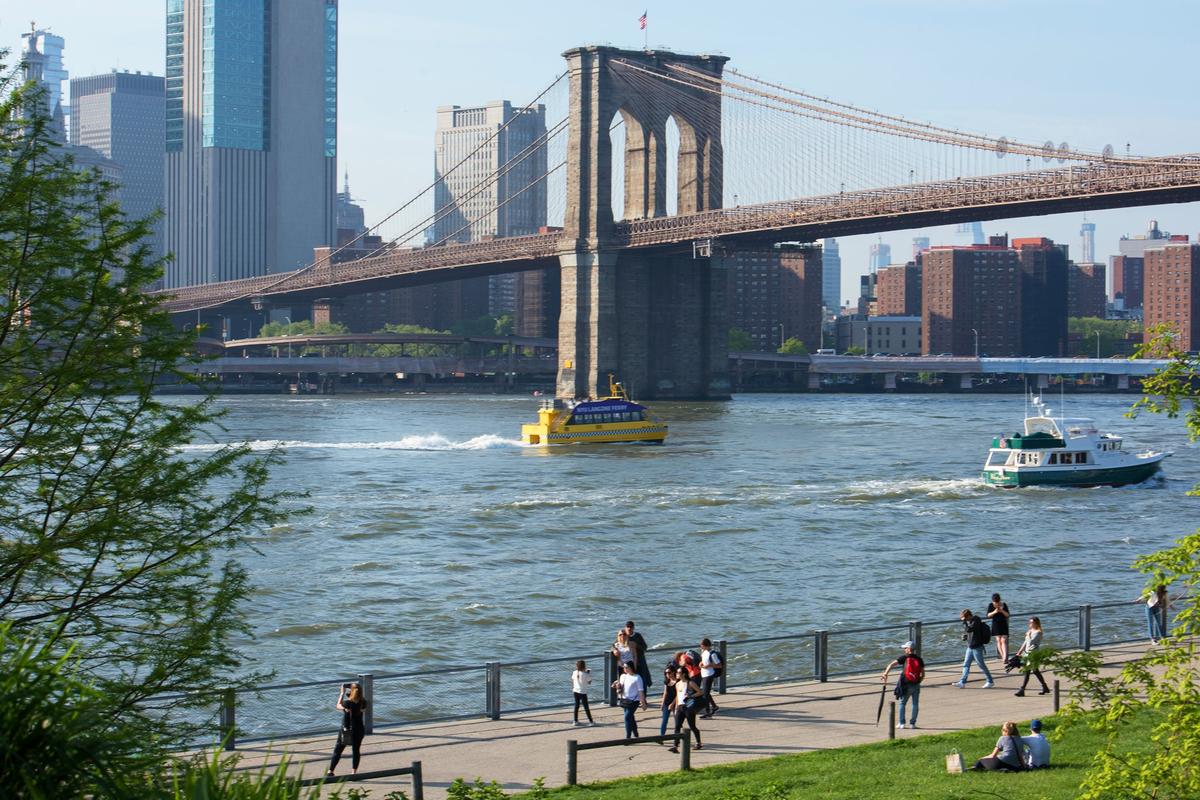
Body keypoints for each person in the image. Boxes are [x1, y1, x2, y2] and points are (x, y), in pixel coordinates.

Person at [880, 640, 924, 729]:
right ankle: (912, 724)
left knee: (902, 703)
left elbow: (891, 664)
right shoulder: (919, 659)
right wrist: (918, 681)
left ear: (909, 649)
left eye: (905, 648)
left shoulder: (904, 658)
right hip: (916, 685)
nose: (904, 650)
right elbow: (922, 674)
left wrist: (885, 673)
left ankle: (902, 723)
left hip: (906, 684)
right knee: (915, 704)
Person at [327, 682, 367, 776]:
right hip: (359, 730)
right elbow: (358, 701)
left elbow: (338, 705)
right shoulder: (364, 703)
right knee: (356, 751)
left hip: (346, 730)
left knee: (338, 750)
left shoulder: (347, 703)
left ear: (352, 692)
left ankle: (330, 771)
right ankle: (353, 772)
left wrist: (342, 693)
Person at [953, 609, 995, 688]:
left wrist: (964, 622)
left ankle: (990, 681)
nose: (965, 620)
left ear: (969, 616)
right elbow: (971, 632)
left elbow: (969, 629)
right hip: (970, 647)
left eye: (966, 618)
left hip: (977, 647)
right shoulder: (970, 621)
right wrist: (966, 637)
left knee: (981, 665)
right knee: (966, 665)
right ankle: (962, 682)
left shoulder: (976, 620)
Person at [1013, 617, 1051, 697]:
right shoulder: (1030, 631)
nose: (1030, 624)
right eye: (1029, 622)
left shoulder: (1038, 632)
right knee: (1035, 671)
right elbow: (1025, 642)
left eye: (1031, 622)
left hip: (1033, 654)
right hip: (1026, 653)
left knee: (1027, 671)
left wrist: (1028, 635)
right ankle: (1045, 687)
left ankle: (1022, 690)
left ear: (1036, 623)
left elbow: (1031, 642)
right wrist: (1019, 652)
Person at [669, 666, 703, 752]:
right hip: (680, 707)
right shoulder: (677, 684)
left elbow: (700, 692)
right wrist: (676, 707)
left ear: (683, 674)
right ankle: (675, 746)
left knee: (692, 726)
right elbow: (678, 696)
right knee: (677, 726)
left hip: (688, 707)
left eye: (678, 673)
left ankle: (698, 743)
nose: (676, 674)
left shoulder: (690, 683)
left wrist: (691, 696)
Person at [612, 661, 647, 739]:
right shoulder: (623, 676)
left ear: (631, 667)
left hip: (634, 701)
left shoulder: (637, 678)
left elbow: (641, 691)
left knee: (627, 718)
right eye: (624, 667)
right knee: (631, 718)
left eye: (626, 667)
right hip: (625, 700)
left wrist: (643, 703)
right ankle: (636, 734)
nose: (624, 668)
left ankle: (628, 737)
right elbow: (620, 687)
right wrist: (616, 686)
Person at [623, 620, 653, 694]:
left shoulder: (637, 636)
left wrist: (636, 645)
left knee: (642, 679)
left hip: (640, 662)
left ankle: (643, 697)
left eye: (631, 627)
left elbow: (645, 647)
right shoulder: (623, 635)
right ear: (625, 628)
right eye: (627, 627)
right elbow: (615, 644)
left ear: (633, 628)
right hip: (629, 663)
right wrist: (614, 650)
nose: (629, 629)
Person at [698, 638, 722, 719]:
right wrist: (701, 663)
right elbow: (704, 660)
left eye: (701, 645)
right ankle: (714, 707)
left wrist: (709, 665)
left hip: (709, 675)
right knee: (706, 693)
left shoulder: (712, 654)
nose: (700, 646)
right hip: (704, 674)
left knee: (705, 694)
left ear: (705, 645)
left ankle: (707, 712)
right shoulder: (703, 652)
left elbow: (719, 665)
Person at [987, 592, 1011, 663]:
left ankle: (1005, 657)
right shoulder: (991, 605)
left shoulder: (1004, 604)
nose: (996, 603)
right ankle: (1003, 657)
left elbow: (1007, 615)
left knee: (1003, 641)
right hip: (996, 624)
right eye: (995, 602)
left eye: (997, 601)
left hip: (1003, 624)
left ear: (999, 600)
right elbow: (988, 615)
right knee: (998, 641)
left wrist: (1002, 610)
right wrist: (994, 612)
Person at [571, 659, 595, 726]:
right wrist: (588, 673)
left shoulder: (574, 672)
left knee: (576, 706)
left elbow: (573, 679)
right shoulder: (585, 674)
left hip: (575, 691)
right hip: (583, 692)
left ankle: (575, 721)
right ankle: (591, 722)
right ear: (584, 666)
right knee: (586, 707)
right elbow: (589, 682)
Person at [659, 664, 679, 738]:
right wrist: (662, 703)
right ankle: (661, 737)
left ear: (673, 672)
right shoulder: (667, 681)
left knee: (677, 721)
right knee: (664, 721)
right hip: (666, 703)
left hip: (675, 703)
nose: (667, 674)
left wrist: (672, 704)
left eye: (669, 672)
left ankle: (677, 736)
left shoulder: (678, 681)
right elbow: (665, 693)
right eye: (666, 673)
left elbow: (678, 694)